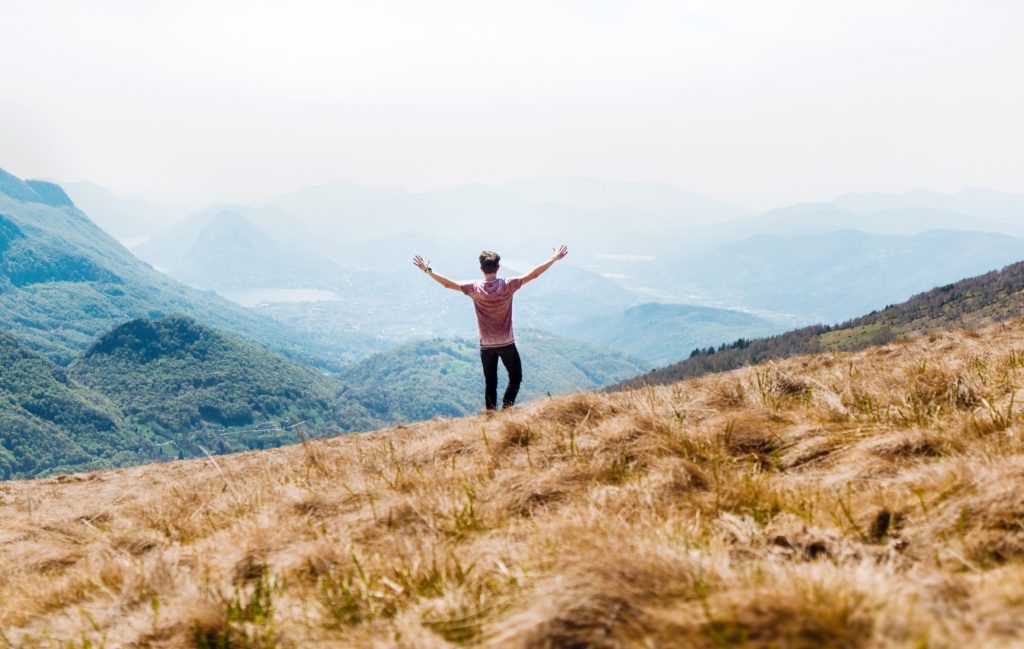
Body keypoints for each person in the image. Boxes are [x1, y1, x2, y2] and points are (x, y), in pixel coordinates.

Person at [412, 245, 569, 410]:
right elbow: (534, 274)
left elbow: (447, 284)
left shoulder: (474, 288)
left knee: (490, 383)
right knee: (515, 378)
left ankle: (491, 417)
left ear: (481, 268)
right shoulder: (508, 285)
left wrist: (426, 269)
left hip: (486, 346)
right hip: (507, 343)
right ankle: (507, 409)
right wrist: (554, 258)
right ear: (498, 267)